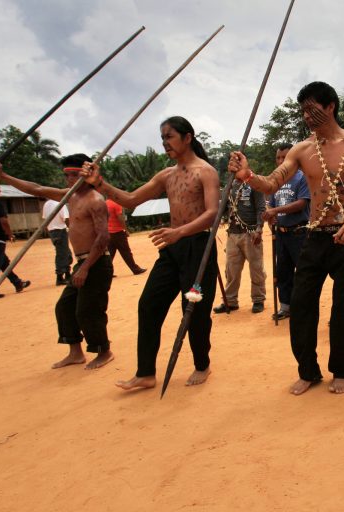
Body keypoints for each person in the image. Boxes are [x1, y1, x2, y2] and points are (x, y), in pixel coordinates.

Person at [228, 81, 344, 395]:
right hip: (315, 237)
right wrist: (247, 175)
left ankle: (342, 370)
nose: (306, 117)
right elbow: (271, 184)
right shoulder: (301, 150)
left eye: (312, 109)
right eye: (303, 111)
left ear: (330, 106)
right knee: (300, 305)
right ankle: (308, 371)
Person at [81, 116, 219, 391]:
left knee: (194, 310)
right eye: (162, 138)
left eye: (169, 136)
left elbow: (212, 213)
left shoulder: (206, 172)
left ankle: (202, 365)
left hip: (198, 248)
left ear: (187, 137)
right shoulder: (166, 175)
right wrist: (100, 184)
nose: (165, 143)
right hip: (171, 250)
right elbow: (131, 199)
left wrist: (180, 232)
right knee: (148, 305)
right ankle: (145, 373)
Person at [0, 155, 114, 370]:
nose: (69, 179)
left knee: (88, 310)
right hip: (81, 263)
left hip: (96, 263)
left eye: (74, 174)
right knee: (64, 307)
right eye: (67, 175)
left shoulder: (95, 200)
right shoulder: (70, 196)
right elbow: (37, 189)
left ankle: (104, 351)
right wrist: (3, 176)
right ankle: (75, 353)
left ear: (86, 173)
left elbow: (103, 237)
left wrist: (85, 268)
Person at [263, 143, 310, 321]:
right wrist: (271, 215)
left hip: (298, 233)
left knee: (303, 272)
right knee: (283, 271)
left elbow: (302, 203)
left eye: (285, 157)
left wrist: (275, 211)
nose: (281, 161)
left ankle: (304, 307)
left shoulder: (302, 177)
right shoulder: (276, 181)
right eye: (278, 158)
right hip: (280, 234)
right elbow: (271, 204)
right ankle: (285, 307)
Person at [213, 174, 267, 314]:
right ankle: (230, 301)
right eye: (231, 165)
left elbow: (261, 207)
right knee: (231, 270)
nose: (233, 168)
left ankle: (258, 299)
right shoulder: (229, 185)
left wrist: (259, 229)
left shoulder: (254, 183)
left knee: (256, 269)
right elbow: (222, 209)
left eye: (237, 165)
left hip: (251, 233)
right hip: (232, 234)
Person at [106, 198, 147, 276]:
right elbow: (120, 217)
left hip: (108, 232)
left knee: (110, 254)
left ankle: (107, 273)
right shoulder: (116, 204)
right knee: (126, 252)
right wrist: (125, 229)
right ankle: (135, 269)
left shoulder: (105, 203)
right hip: (118, 232)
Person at [42, 198, 72, 285]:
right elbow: (66, 218)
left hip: (52, 231)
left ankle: (67, 274)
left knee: (66, 253)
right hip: (60, 230)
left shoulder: (46, 204)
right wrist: (71, 229)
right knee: (62, 254)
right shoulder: (60, 204)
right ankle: (60, 277)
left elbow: (45, 219)